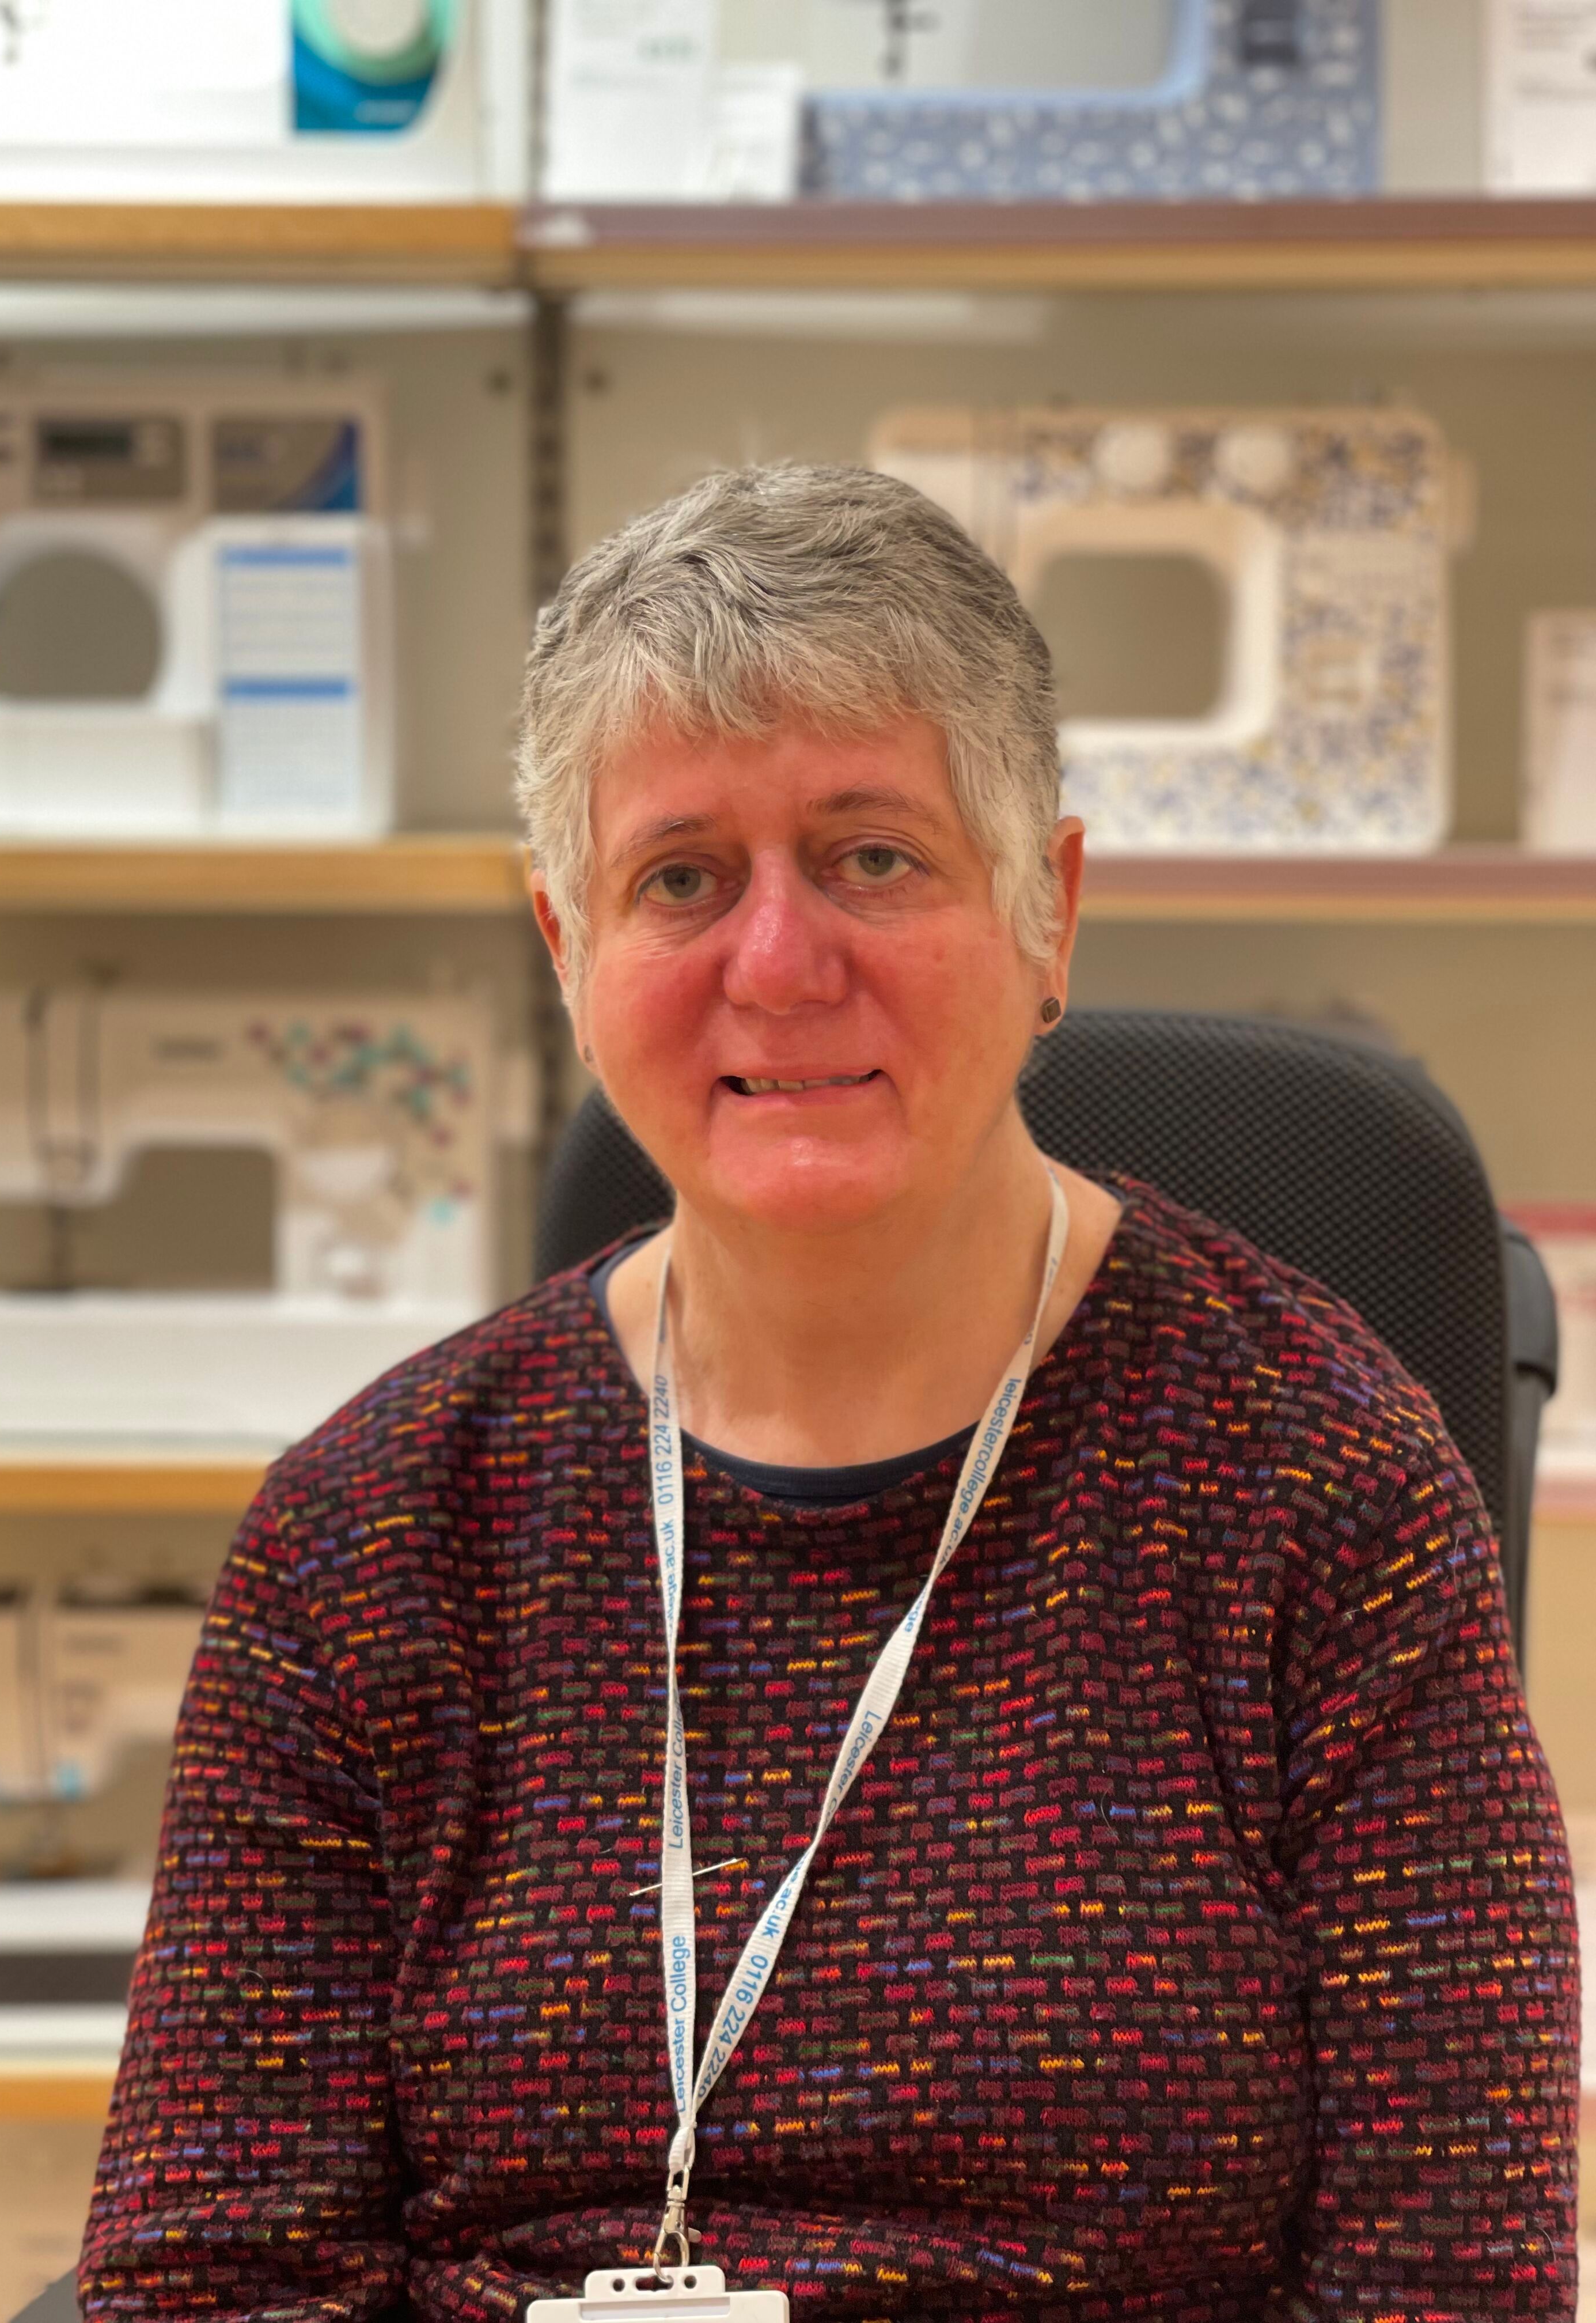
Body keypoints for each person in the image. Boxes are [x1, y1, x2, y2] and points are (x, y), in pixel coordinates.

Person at [80, 464, 1578, 2322]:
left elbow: (1455, 2279)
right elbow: (211, 2277)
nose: (779, 965)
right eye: (682, 879)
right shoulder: (368, 1539)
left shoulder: (1321, 1484)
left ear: (1050, 909)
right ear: (569, 951)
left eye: (874, 854)